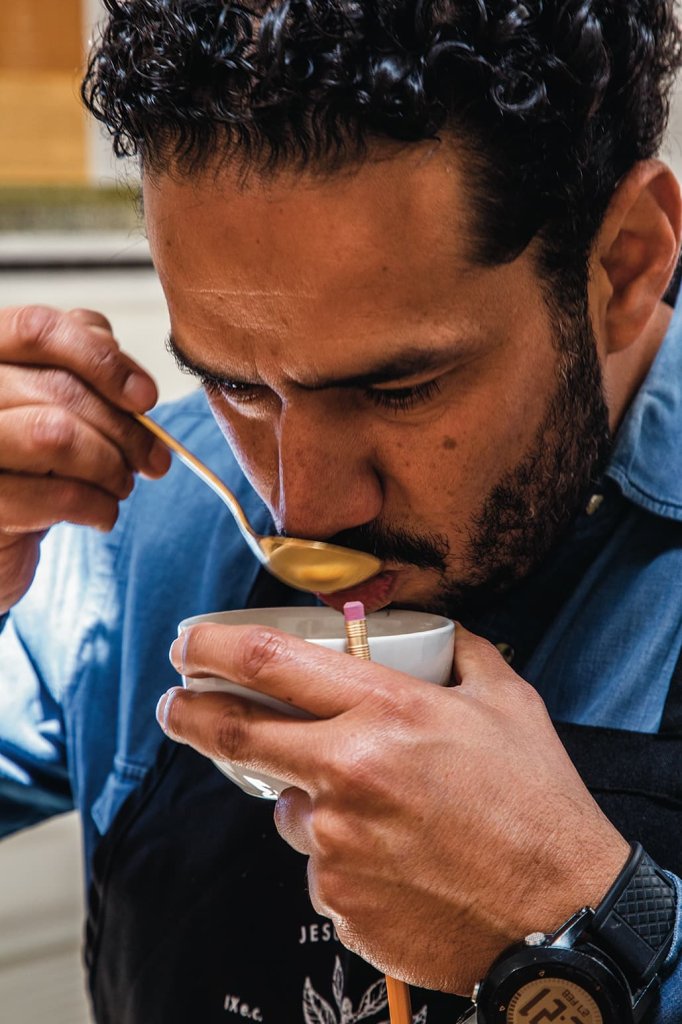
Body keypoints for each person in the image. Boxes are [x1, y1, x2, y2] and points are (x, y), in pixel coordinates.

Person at [1, 1, 682, 1021]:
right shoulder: (138, 534)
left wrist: (585, 931)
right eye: (235, 384)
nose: (301, 504)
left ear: (623, 263)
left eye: (398, 389)